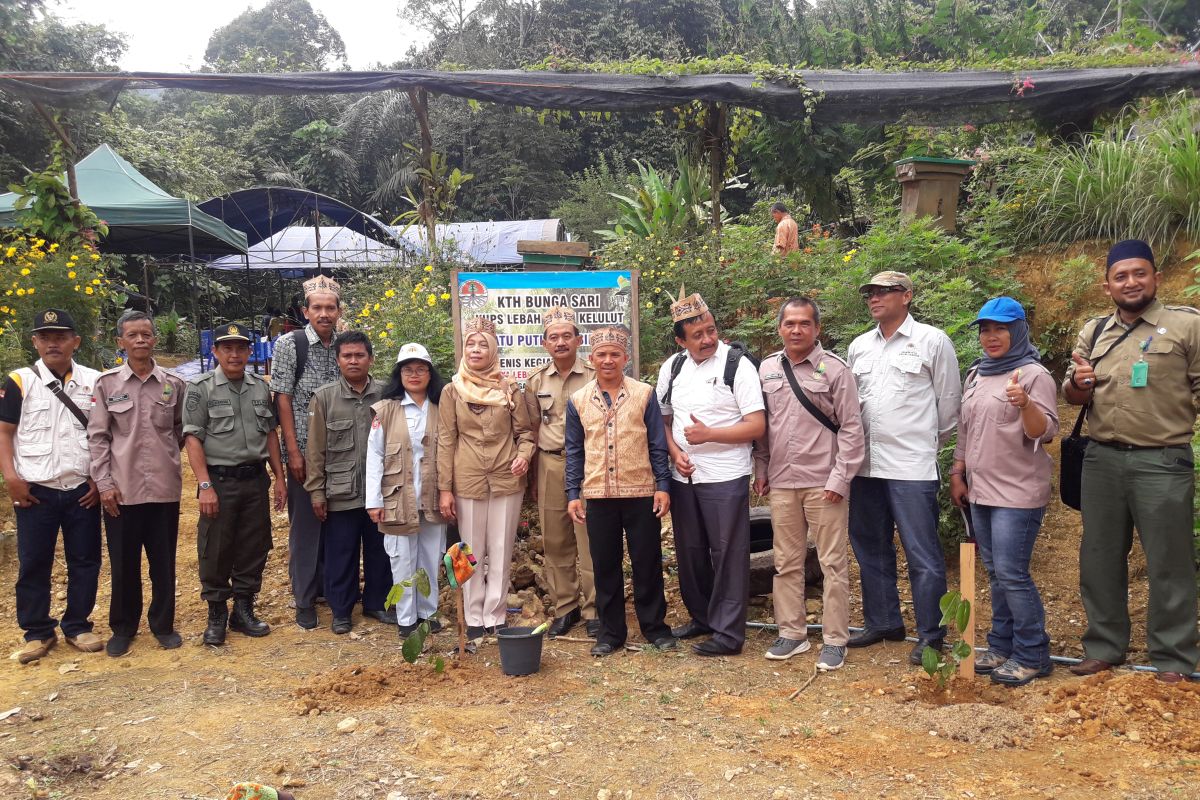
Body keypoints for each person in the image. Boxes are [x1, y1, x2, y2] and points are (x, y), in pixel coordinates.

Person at [1063, 239, 1200, 684]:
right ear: (1107, 286)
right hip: (1102, 460)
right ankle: (1104, 646)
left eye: (1139, 273)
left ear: (1156, 278)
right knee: (1099, 557)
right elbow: (1074, 395)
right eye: (1120, 276)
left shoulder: (1186, 327)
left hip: (1162, 460)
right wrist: (1079, 384)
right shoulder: (1095, 330)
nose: (1131, 282)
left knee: (1169, 562)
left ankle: (1173, 658)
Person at [846, 271, 961, 665]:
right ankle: (884, 622)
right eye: (870, 294)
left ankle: (931, 634)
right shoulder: (860, 346)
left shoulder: (932, 341)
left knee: (922, 554)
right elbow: (850, 406)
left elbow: (948, 407)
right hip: (864, 466)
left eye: (883, 292)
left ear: (907, 296)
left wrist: (926, 445)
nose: (874, 298)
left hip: (911, 466)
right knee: (869, 547)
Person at [949, 297, 1058, 686]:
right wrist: (958, 470)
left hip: (1018, 492)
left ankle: (1033, 653)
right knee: (996, 572)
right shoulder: (978, 373)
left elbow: (1042, 432)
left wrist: (1026, 404)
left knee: (1012, 573)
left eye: (1001, 328)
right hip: (981, 491)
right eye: (985, 329)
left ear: (1018, 330)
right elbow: (966, 427)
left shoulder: (1033, 375)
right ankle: (1001, 644)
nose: (991, 337)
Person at [753, 297, 864, 671]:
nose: (796, 330)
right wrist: (762, 469)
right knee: (785, 562)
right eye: (789, 324)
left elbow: (852, 428)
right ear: (780, 328)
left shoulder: (834, 370)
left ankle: (834, 639)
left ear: (817, 328)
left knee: (832, 563)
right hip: (783, 482)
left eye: (804, 324)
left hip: (824, 482)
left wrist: (840, 478)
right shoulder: (767, 368)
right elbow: (764, 427)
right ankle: (792, 633)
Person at [656, 287, 765, 657]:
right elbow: (663, 421)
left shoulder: (737, 365)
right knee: (690, 551)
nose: (707, 339)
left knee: (728, 553)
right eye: (698, 335)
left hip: (726, 475)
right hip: (684, 475)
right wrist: (675, 451)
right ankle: (702, 617)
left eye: (711, 330)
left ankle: (728, 633)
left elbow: (756, 425)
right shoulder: (673, 368)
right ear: (680, 340)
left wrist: (709, 435)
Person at [565, 326, 676, 656]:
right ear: (592, 359)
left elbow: (657, 444)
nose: (608, 360)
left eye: (615, 354)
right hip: (598, 496)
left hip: (641, 492)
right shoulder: (578, 401)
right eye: (602, 354)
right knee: (605, 566)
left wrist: (663, 486)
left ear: (625, 358)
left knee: (647, 562)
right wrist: (573, 493)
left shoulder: (644, 394)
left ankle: (655, 628)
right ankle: (611, 633)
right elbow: (574, 450)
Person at [0, 309, 103, 663]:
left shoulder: (94, 381)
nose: (53, 343)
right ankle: (37, 631)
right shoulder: (18, 381)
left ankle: (77, 624)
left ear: (76, 341)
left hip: (81, 489)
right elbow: (4, 432)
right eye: (45, 337)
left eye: (60, 336)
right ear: (35, 342)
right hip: (35, 490)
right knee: (33, 561)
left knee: (86, 559)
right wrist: (11, 477)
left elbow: (103, 435)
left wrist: (97, 478)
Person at [87, 309, 187, 657]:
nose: (141, 340)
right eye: (133, 335)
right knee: (124, 563)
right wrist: (103, 484)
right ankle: (123, 628)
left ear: (154, 339)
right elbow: (98, 437)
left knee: (164, 563)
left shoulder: (174, 384)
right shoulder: (108, 384)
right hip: (122, 492)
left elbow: (179, 431)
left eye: (146, 334)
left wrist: (167, 460)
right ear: (121, 342)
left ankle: (163, 625)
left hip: (163, 490)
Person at [183, 323, 287, 646]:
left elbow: (270, 434)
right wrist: (204, 486)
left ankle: (243, 609)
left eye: (241, 348)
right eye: (227, 348)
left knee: (253, 545)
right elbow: (192, 438)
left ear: (249, 352)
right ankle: (216, 613)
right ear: (214, 351)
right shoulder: (201, 388)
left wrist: (279, 478)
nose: (234, 354)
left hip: (254, 479)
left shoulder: (259, 386)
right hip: (220, 481)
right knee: (215, 547)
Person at [437, 317, 535, 642]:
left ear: (493, 351)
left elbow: (525, 434)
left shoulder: (508, 389)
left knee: (501, 547)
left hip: (506, 477)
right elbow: (446, 440)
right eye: (471, 344)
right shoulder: (452, 390)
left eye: (483, 345)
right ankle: (473, 615)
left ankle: (496, 615)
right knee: (470, 550)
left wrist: (524, 456)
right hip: (467, 479)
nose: (476, 350)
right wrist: (444, 489)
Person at [304, 331, 389, 634]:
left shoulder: (385, 394)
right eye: (347, 356)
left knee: (380, 550)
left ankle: (377, 603)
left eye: (359, 355)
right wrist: (317, 492)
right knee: (341, 553)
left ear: (370, 358)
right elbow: (315, 449)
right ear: (338, 360)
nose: (353, 361)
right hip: (340, 492)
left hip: (379, 493)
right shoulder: (324, 397)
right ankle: (342, 610)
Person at [271, 275, 344, 630]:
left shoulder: (345, 344)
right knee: (305, 526)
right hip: (303, 447)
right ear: (306, 311)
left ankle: (331, 589)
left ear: (339, 311)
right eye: (317, 308)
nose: (324, 313)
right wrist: (292, 451)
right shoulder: (290, 344)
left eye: (330, 308)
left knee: (336, 521)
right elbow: (281, 397)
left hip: (342, 451)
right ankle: (304, 598)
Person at [523, 305, 597, 638]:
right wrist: (534, 478)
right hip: (551, 464)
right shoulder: (535, 381)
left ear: (578, 339)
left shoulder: (596, 374)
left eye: (567, 335)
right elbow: (531, 428)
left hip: (589, 466)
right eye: (554, 337)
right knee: (555, 540)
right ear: (545, 343)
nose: (561, 341)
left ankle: (596, 609)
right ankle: (566, 607)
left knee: (591, 539)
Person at [366, 342, 448, 637]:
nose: (414, 375)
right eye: (408, 369)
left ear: (430, 373)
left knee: (430, 556)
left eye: (421, 369)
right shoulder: (386, 410)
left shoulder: (441, 407)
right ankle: (406, 619)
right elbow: (374, 456)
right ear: (399, 374)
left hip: (432, 496)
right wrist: (373, 501)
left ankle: (428, 613)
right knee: (401, 559)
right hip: (397, 497)